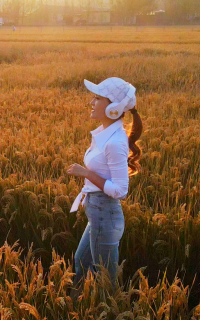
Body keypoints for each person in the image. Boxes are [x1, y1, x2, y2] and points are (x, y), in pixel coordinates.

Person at [66, 77, 143, 290]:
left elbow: (120, 190)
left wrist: (86, 173)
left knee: (104, 279)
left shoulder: (115, 142)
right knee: (81, 263)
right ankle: (77, 307)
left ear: (113, 108)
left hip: (105, 215)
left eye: (97, 98)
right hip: (97, 215)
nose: (92, 102)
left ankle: (105, 315)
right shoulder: (103, 134)